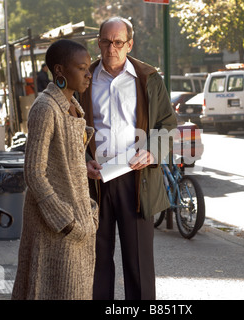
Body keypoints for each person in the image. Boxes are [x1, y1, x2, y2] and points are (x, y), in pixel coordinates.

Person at [78, 16, 177, 300]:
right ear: (98, 43)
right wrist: (84, 160)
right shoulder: (85, 78)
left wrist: (153, 151)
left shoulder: (148, 78)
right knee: (96, 261)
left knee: (138, 264)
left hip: (137, 181)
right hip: (95, 181)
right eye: (106, 41)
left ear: (129, 44)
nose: (111, 48)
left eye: (118, 42)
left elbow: (168, 124)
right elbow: (72, 127)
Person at [12, 39, 98, 300]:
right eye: (81, 68)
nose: (88, 73)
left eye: (88, 67)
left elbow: (60, 161)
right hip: (56, 227)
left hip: (79, 221)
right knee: (51, 290)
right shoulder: (46, 107)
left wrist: (83, 170)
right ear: (59, 70)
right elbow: (34, 172)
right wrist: (65, 221)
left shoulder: (74, 106)